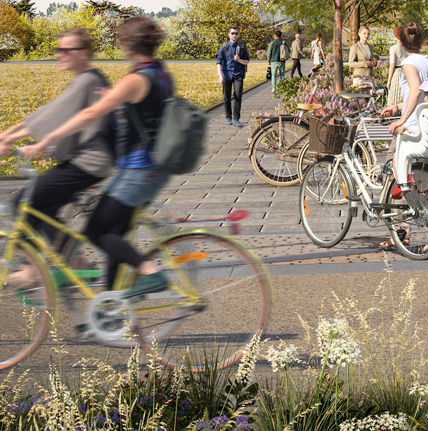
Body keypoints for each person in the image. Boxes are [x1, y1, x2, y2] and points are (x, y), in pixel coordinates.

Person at [21, 16, 187, 299]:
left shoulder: (135, 79)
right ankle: (110, 309)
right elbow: (148, 108)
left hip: (138, 170)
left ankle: (150, 272)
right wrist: (119, 97)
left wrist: (47, 139)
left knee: (96, 232)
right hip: (155, 168)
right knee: (114, 238)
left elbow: (89, 115)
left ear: (126, 45)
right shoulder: (159, 72)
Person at [0, 26, 111, 282]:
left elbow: (51, 119)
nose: (60, 54)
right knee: (45, 210)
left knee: (22, 203)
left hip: (88, 163)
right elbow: (43, 115)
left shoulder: (88, 80)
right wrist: (7, 135)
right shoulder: (84, 79)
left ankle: (30, 270)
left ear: (84, 53)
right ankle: (79, 264)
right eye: (58, 49)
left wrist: (10, 137)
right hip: (88, 162)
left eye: (66, 50)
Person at [379, 25, 428, 194]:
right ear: (421, 41)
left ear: (401, 43)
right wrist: (397, 107)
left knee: (394, 154)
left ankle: (402, 187)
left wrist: (401, 120)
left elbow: (416, 91)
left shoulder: (408, 63)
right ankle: (421, 188)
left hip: (414, 122)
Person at [216, 25, 249, 128]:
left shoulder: (242, 47)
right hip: (226, 75)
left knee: (238, 96)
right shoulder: (224, 47)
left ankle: (236, 119)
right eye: (233, 33)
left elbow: (247, 61)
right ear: (229, 34)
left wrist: (239, 60)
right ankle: (228, 117)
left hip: (238, 74)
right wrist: (220, 76)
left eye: (236, 33)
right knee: (226, 97)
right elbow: (218, 62)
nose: (235, 35)